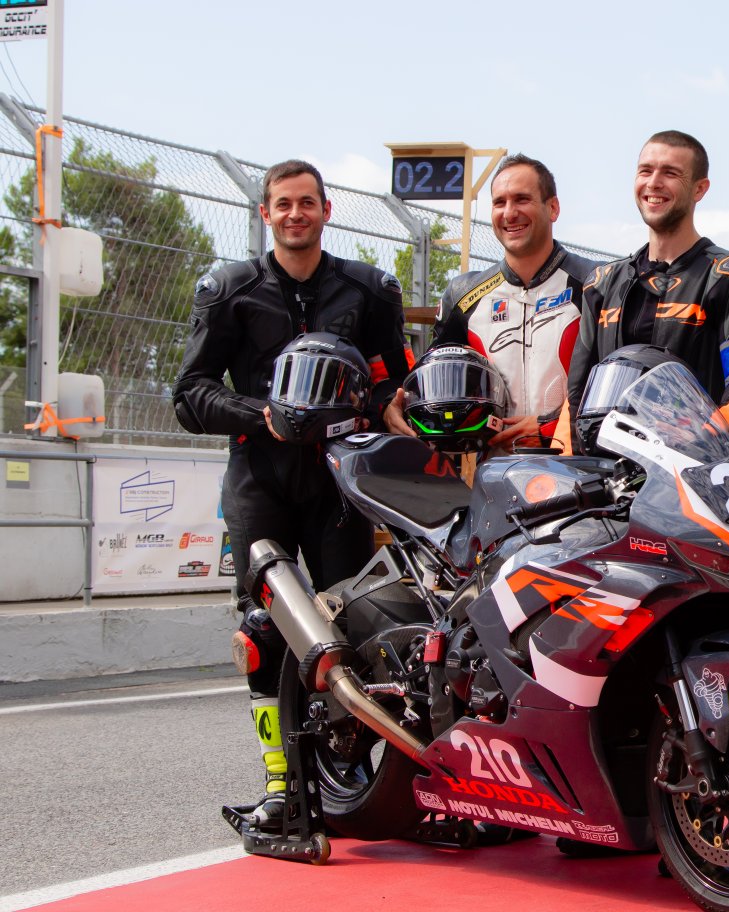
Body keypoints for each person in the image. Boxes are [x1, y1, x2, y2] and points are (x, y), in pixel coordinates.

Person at [172, 160, 412, 824]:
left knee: (353, 626)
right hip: (260, 477)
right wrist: (263, 415)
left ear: (326, 211)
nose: (295, 214)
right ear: (266, 213)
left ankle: (347, 770)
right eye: (284, 204)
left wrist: (387, 405)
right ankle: (280, 782)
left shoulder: (367, 289)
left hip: (341, 482)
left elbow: (392, 378)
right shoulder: (230, 289)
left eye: (307, 203)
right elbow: (189, 394)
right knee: (266, 630)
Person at [562, 130, 729, 449]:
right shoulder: (602, 282)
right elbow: (575, 398)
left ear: (700, 188)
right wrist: (571, 468)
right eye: (645, 171)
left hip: (696, 468)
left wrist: (697, 447)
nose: (654, 182)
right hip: (607, 470)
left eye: (670, 173)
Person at [398, 154, 591, 451]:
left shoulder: (597, 283)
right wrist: (396, 405)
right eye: (499, 202)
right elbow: (429, 386)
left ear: (553, 207)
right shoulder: (463, 295)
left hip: (578, 466)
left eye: (522, 199)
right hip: (496, 469)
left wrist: (549, 425)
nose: (509, 213)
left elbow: (617, 385)